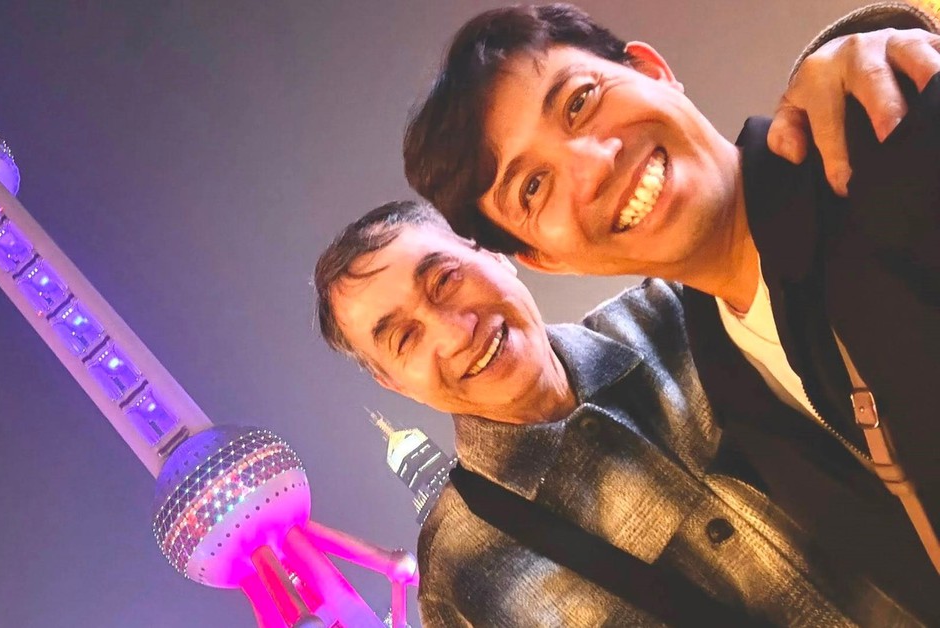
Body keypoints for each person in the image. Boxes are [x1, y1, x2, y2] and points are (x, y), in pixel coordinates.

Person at [400, 1, 940, 619]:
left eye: (579, 102)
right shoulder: (720, 372)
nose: (594, 164)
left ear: (651, 69)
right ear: (544, 257)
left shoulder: (883, 155)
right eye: (533, 187)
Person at [313, 200, 923, 626]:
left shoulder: (684, 313)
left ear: (493, 255)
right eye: (405, 338)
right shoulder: (459, 579)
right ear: (394, 382)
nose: (455, 332)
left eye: (445, 280)